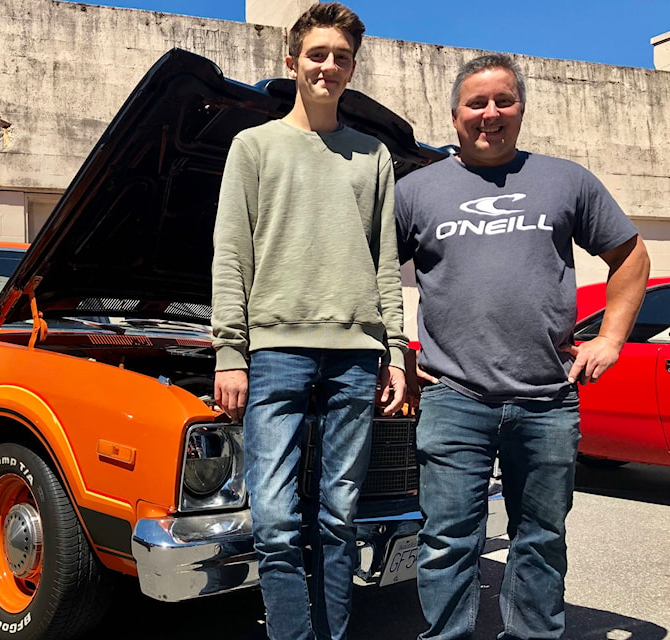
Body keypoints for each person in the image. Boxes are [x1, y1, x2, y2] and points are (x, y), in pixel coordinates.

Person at [395, 53, 650, 640]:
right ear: (454, 113)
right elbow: (372, 273)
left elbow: (631, 258)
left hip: (547, 398)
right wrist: (394, 353)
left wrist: (611, 338)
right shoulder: (416, 191)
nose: (490, 114)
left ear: (521, 109)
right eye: (476, 103)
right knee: (446, 541)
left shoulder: (566, 180)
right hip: (452, 397)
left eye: (503, 101)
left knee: (540, 538)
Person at [210, 4, 408, 639]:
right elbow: (231, 253)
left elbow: (385, 263)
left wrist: (396, 352)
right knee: (274, 521)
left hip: (356, 357)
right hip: (275, 356)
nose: (328, 66)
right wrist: (228, 352)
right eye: (316, 54)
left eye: (341, 57)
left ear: (352, 68)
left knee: (338, 517)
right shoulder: (254, 146)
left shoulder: (373, 155)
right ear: (291, 62)